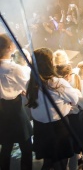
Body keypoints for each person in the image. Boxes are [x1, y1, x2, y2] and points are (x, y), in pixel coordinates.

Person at [27, 47, 79, 170]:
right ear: (50, 63)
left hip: (40, 127)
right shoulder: (57, 83)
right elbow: (75, 99)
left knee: (48, 161)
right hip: (58, 127)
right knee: (61, 164)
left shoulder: (31, 82)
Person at [0, 34, 32, 170]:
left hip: (2, 109)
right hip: (15, 109)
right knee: (26, 146)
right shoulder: (13, 68)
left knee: (6, 146)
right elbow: (28, 87)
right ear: (9, 47)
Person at [55, 63, 83, 170]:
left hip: (60, 122)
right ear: (68, 76)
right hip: (74, 121)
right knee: (74, 151)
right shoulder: (74, 91)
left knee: (63, 152)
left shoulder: (52, 88)